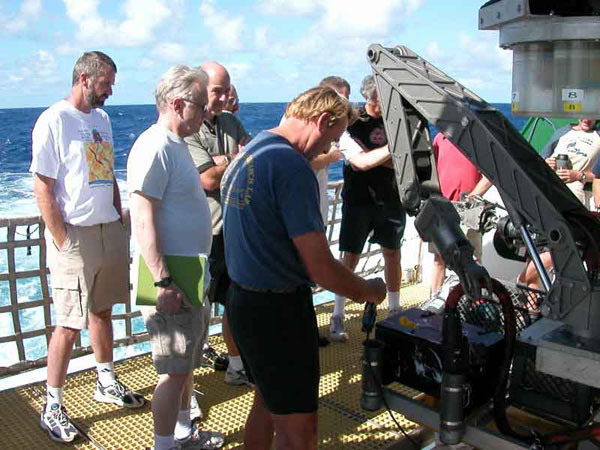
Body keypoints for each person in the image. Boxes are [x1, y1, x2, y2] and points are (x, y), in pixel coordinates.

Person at [221, 86, 386, 450]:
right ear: (323, 120)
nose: (327, 150)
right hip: (278, 311)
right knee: (301, 432)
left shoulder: (252, 150)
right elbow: (321, 268)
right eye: (332, 138)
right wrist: (369, 291)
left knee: (266, 403)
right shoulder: (291, 166)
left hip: (242, 302)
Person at [31, 51, 144, 444]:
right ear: (84, 78)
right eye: (106, 83)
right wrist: (61, 238)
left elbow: (107, 172)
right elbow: (43, 185)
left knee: (102, 311)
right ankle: (52, 404)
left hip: (107, 229)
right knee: (67, 323)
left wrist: (116, 217)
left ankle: (105, 380)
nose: (111, 91)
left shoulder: (103, 120)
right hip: (74, 235)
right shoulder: (54, 120)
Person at [128, 64, 225, 450]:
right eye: (200, 107)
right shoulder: (154, 146)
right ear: (177, 103)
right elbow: (142, 216)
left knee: (186, 366)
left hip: (190, 269)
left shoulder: (176, 144)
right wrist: (163, 280)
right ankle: (164, 445)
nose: (206, 114)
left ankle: (184, 434)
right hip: (171, 273)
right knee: (171, 370)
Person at [185, 61, 251, 386]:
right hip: (194, 240)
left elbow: (254, 157)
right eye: (218, 91)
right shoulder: (184, 131)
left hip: (229, 233)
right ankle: (186, 394)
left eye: (228, 90)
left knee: (233, 305)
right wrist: (233, 159)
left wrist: (229, 160)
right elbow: (208, 180)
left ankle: (236, 367)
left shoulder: (229, 123)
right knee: (189, 316)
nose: (225, 98)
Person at [329, 74, 404, 342]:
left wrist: (377, 158)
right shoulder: (352, 120)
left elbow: (400, 163)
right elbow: (360, 160)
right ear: (371, 96)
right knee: (350, 257)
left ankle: (394, 309)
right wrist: (390, 154)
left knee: (392, 253)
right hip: (359, 199)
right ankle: (337, 314)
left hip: (391, 198)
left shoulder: (397, 121)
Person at [521, 119, 600, 290]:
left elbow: (597, 176)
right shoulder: (562, 132)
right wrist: (547, 162)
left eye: (591, 115)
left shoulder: (598, 136)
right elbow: (537, 161)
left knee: (545, 260)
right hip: (545, 200)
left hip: (572, 204)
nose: (586, 119)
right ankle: (532, 312)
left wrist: (577, 175)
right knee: (534, 256)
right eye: (583, 115)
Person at [430, 132, 491, 295]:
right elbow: (432, 171)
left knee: (473, 258)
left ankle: (476, 302)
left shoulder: (477, 138)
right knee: (439, 259)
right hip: (442, 207)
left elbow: (489, 175)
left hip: (470, 209)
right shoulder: (439, 139)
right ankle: (434, 302)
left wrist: (471, 198)